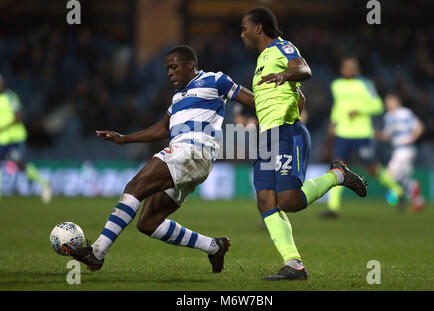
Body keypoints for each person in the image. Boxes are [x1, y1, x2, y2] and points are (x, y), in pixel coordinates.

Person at [63, 45, 256, 273]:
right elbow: (162, 129)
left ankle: (97, 252)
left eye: (174, 67)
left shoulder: (216, 80)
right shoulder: (177, 97)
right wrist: (124, 139)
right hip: (187, 158)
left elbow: (253, 101)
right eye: (167, 69)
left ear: (190, 65)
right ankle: (214, 246)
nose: (169, 73)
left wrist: (281, 110)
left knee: (135, 187)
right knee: (148, 223)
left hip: (193, 151)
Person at [240, 7, 368, 281]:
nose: (242, 34)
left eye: (244, 28)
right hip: (267, 137)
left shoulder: (282, 47)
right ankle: (294, 264)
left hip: (286, 132)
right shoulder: (262, 60)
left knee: (290, 201)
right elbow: (286, 98)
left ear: (259, 28)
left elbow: (303, 68)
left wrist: (286, 76)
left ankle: (337, 175)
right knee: (265, 201)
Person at [321, 57, 405, 218]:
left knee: (372, 169)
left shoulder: (365, 84)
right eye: (346, 66)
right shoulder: (336, 85)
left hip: (361, 134)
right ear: (341, 68)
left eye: (352, 66)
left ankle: (399, 192)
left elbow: (378, 105)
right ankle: (333, 208)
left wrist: (358, 110)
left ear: (356, 68)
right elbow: (338, 106)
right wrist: (333, 121)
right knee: (338, 169)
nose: (349, 69)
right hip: (343, 134)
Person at [0, 74, 52, 203]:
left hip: (15, 138)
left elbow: (18, 116)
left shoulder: (10, 97)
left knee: (20, 165)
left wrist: (3, 127)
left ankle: (44, 184)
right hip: (2, 139)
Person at [379, 92, 425, 212]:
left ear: (397, 101)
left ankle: (396, 200)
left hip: (405, 150)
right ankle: (417, 199)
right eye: (386, 101)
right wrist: (376, 134)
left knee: (390, 174)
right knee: (402, 177)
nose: (388, 104)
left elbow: (419, 126)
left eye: (390, 101)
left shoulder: (405, 113)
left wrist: (411, 139)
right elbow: (387, 135)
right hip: (398, 150)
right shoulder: (388, 116)